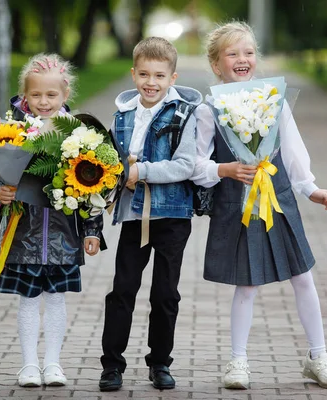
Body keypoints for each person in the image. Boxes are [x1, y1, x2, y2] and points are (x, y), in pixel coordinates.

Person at [191, 22, 327, 390]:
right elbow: (196, 165)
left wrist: (312, 190)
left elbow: (292, 153)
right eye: (232, 54)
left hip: (278, 200)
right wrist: (223, 168)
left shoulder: (274, 100)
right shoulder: (208, 109)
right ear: (216, 64)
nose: (242, 59)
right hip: (237, 203)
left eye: (248, 52)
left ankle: (318, 356)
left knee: (303, 276)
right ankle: (238, 362)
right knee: (246, 284)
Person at [0, 53, 104, 388]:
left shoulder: (80, 134)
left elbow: (95, 186)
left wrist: (93, 231)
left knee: (55, 299)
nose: (43, 101)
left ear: (65, 95)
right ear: (25, 96)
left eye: (51, 95)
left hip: (64, 235)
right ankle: (28, 365)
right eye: (36, 95)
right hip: (24, 233)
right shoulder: (11, 132)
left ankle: (53, 363)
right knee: (28, 299)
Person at [98, 37, 200, 392]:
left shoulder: (185, 114)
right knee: (123, 289)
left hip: (172, 216)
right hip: (132, 214)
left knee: (165, 294)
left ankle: (160, 363)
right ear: (133, 74)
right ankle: (112, 365)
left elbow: (185, 165)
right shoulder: (123, 114)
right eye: (144, 74)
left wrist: (143, 173)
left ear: (172, 77)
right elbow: (111, 162)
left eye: (159, 75)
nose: (151, 82)